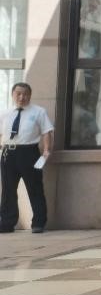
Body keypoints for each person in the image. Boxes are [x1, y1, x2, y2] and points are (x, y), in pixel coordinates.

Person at [0, 83, 54, 234]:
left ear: (30, 95)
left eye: (25, 94)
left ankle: (38, 223)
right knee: (8, 190)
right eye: (18, 93)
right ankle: (7, 222)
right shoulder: (4, 113)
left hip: (29, 153)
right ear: (12, 94)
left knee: (35, 188)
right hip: (8, 153)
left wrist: (46, 150)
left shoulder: (38, 112)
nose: (22, 97)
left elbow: (46, 132)